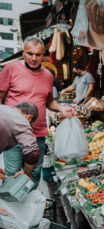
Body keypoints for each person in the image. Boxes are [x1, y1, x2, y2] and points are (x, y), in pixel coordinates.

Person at [0, 36, 73, 189]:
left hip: (37, 135)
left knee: (33, 176)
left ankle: (29, 210)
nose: (33, 58)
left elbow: (49, 101)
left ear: (43, 54)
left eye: (38, 54)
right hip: (13, 135)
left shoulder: (48, 75)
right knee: (12, 175)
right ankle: (13, 211)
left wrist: (61, 109)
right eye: (29, 53)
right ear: (23, 53)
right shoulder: (10, 69)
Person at [0, 102, 41, 229]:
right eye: (31, 125)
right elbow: (32, 151)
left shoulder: (4, 110)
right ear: (29, 117)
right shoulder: (20, 120)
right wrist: (27, 172)